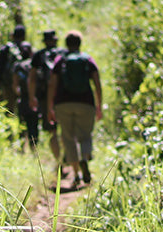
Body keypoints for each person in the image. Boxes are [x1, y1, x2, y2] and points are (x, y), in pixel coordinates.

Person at [46, 31, 102, 189]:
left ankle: (76, 174)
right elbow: (97, 83)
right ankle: (84, 158)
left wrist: (50, 106)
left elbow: (52, 84)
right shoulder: (87, 59)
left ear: (66, 43)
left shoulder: (60, 60)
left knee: (68, 137)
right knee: (85, 135)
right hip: (86, 103)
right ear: (80, 43)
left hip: (63, 103)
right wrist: (99, 105)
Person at [29, 29, 63, 164]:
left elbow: (32, 78)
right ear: (55, 40)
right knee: (66, 130)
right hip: (64, 96)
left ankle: (59, 162)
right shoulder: (63, 54)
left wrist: (32, 96)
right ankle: (68, 159)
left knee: (52, 131)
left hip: (45, 97)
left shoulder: (38, 56)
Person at [0, 24, 26, 113]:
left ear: (13, 35)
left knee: (9, 108)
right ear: (24, 36)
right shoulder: (26, 48)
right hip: (23, 84)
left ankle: (10, 123)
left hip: (8, 82)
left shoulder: (6, 49)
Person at [11, 41, 39, 149]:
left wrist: (20, 94)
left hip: (23, 99)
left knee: (22, 124)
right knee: (34, 125)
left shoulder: (17, 66)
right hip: (35, 98)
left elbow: (15, 85)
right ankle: (34, 148)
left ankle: (22, 147)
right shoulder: (34, 65)